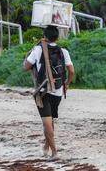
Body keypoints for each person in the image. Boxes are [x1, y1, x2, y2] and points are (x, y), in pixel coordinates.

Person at [24, 25, 75, 159]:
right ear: (57, 37)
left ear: (44, 37)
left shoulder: (37, 49)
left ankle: (54, 152)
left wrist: (31, 53)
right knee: (50, 121)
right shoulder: (63, 51)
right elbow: (71, 71)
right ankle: (46, 147)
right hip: (58, 91)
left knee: (47, 122)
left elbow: (26, 66)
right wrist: (67, 83)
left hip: (43, 90)